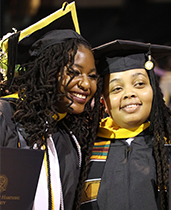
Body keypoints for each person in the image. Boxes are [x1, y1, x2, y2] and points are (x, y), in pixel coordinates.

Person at [0, 5, 103, 210]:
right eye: (74, 72)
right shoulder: (6, 117)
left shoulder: (68, 136)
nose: (86, 84)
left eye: (92, 75)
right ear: (45, 72)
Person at [80, 39, 171, 210]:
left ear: (153, 90)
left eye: (139, 84)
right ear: (104, 102)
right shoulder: (85, 149)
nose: (129, 94)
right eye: (116, 88)